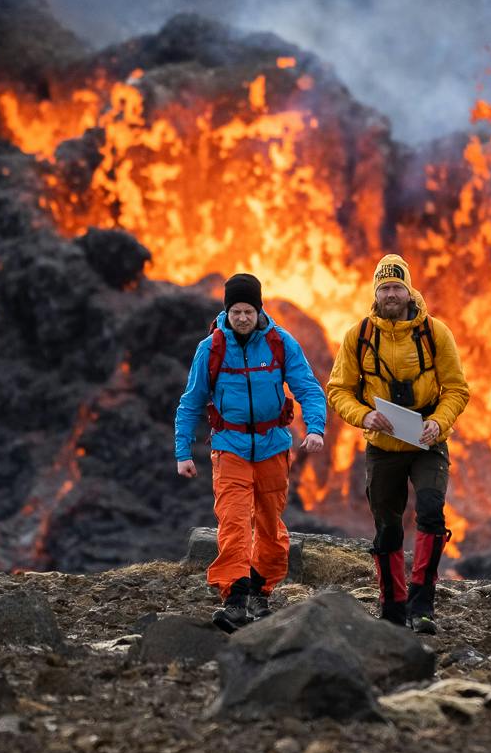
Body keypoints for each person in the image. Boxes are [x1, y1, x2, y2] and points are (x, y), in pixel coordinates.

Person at [327, 254, 470, 634]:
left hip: (428, 440)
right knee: (388, 528)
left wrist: (438, 422)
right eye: (385, 288)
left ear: (409, 290)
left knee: (431, 512)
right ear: (376, 293)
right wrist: (364, 416)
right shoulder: (359, 336)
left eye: (397, 286)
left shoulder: (435, 333)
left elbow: (456, 389)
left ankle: (422, 608)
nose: (391, 294)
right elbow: (338, 390)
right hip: (383, 444)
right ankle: (393, 609)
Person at [175, 272, 326, 633]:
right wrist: (183, 452)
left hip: (273, 447)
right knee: (234, 521)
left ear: (259, 310)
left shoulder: (280, 342)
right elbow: (190, 402)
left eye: (248, 311)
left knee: (271, 526)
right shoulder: (211, 348)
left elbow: (308, 387)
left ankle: (261, 591)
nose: (242, 318)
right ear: (227, 311)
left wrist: (316, 428)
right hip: (230, 448)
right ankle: (235, 598)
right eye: (235, 311)